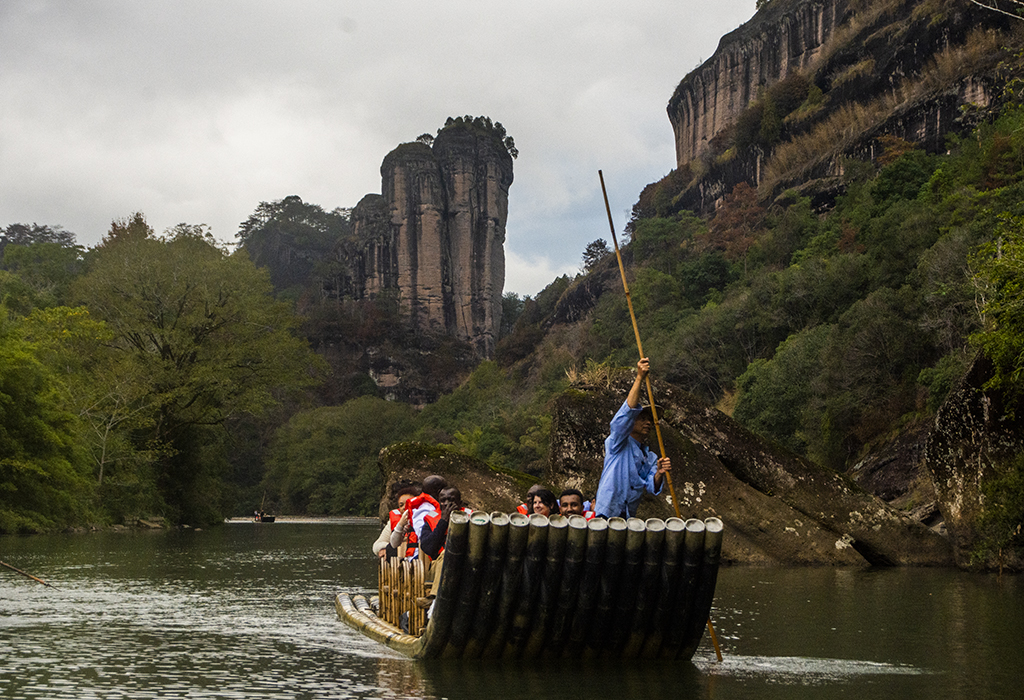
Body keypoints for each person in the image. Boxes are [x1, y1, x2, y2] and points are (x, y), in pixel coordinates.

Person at [594, 357, 672, 519]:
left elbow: (652, 486)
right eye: (642, 418)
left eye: (650, 419)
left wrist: (660, 472)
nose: (648, 422)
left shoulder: (650, 457)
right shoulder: (618, 442)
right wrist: (639, 378)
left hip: (628, 514)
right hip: (607, 511)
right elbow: (624, 416)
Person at [374, 481, 422, 559]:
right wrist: (386, 548)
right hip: (400, 562)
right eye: (401, 505)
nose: (404, 507)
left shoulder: (423, 519)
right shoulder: (393, 522)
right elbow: (376, 545)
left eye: (408, 503)